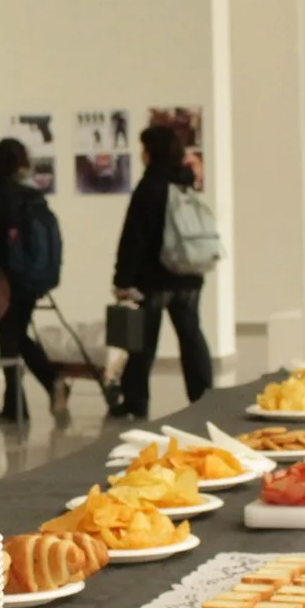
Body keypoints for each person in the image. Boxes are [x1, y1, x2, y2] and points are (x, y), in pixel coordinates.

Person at [0, 138, 68, 422]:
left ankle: (32, 396)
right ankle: (20, 403)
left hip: (3, 283)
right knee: (15, 339)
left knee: (10, 342)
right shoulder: (34, 199)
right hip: (30, 281)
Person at [110, 124, 213, 419]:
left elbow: (133, 238)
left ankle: (135, 401)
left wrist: (122, 279)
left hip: (155, 279)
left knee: (143, 343)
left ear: (151, 152)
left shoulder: (150, 186)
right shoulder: (185, 182)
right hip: (189, 274)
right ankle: (204, 397)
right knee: (192, 337)